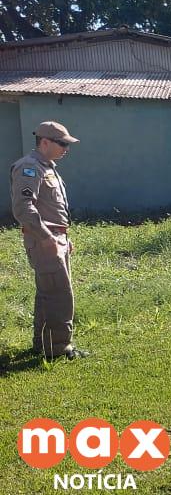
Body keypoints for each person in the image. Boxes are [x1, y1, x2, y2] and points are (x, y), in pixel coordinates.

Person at [10, 121, 88, 360]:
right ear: (44, 142)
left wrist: (64, 237)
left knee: (48, 292)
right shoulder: (29, 167)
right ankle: (59, 348)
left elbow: (52, 210)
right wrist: (47, 238)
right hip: (44, 240)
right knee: (59, 294)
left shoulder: (48, 168)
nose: (66, 148)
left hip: (55, 237)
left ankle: (43, 343)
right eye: (62, 143)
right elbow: (24, 209)